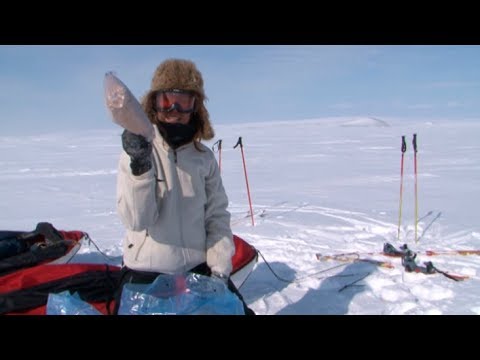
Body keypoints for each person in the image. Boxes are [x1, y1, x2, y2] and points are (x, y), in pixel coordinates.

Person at [114, 58, 254, 315]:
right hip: (146, 272)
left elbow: (217, 216)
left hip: (197, 268)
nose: (174, 109)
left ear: (196, 107)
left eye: (183, 101)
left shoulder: (203, 158)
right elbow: (136, 220)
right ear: (153, 104)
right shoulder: (139, 151)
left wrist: (219, 272)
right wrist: (141, 165)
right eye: (166, 100)